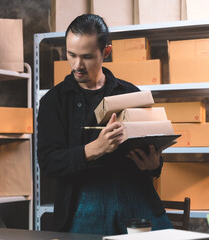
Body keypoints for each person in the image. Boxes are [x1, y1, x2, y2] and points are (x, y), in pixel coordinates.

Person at [37, 14, 172, 235]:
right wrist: (95, 149)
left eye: (87, 57)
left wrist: (153, 164)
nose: (77, 65)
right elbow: (49, 163)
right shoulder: (54, 101)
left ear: (106, 53)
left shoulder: (130, 93)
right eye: (71, 55)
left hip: (136, 195)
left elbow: (153, 149)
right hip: (84, 200)